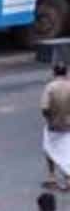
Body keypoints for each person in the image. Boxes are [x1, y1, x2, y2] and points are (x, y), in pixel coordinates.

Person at [42, 63, 70, 191]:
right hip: (68, 124)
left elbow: (45, 107)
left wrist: (49, 119)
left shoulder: (50, 88)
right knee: (67, 150)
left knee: (49, 148)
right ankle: (67, 177)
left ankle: (52, 176)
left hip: (54, 125)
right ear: (66, 72)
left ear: (54, 73)